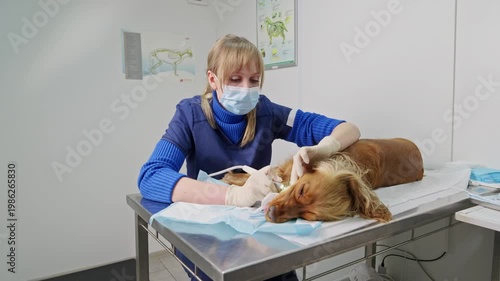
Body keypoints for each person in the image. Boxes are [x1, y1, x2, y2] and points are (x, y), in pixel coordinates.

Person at [137, 34, 360, 281]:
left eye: (254, 80)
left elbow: (348, 129)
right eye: (235, 79)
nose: (246, 89)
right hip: (209, 235)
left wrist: (323, 149)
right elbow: (151, 176)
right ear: (213, 79)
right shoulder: (190, 115)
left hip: (259, 230)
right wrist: (234, 195)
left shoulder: (267, 112)